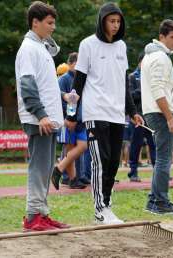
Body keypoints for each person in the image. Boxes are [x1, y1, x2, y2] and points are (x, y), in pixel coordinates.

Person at [66, 2, 143, 224]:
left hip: (117, 113)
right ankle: (100, 208)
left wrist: (133, 111)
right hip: (95, 111)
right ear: (102, 21)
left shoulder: (121, 47)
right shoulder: (87, 45)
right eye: (111, 21)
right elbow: (77, 84)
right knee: (101, 160)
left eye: (118, 21)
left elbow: (124, 84)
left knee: (113, 163)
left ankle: (107, 205)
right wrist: (72, 115)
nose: (115, 25)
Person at [16, 1, 70, 231]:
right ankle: (32, 216)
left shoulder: (41, 47)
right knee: (38, 169)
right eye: (49, 23)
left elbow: (44, 86)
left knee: (46, 169)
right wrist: (41, 115)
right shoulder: (28, 48)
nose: (53, 27)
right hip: (39, 120)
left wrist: (63, 96)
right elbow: (27, 87)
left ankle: (42, 213)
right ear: (35, 22)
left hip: (48, 119)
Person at [141, 19, 173, 214]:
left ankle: (154, 199)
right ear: (162, 37)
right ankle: (160, 201)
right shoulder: (160, 57)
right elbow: (158, 89)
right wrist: (169, 117)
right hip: (159, 113)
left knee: (162, 158)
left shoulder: (153, 56)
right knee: (163, 159)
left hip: (155, 111)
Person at [51, 52, 87, 190]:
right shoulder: (64, 79)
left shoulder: (82, 78)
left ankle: (60, 170)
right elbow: (60, 98)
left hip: (80, 119)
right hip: (67, 119)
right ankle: (71, 178)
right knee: (72, 148)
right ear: (72, 63)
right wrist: (69, 116)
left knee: (80, 147)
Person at [128, 52, 157, 182]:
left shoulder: (152, 77)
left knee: (154, 143)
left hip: (151, 115)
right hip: (137, 116)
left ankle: (158, 172)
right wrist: (143, 90)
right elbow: (130, 96)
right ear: (140, 62)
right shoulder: (132, 77)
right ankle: (133, 172)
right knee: (136, 144)